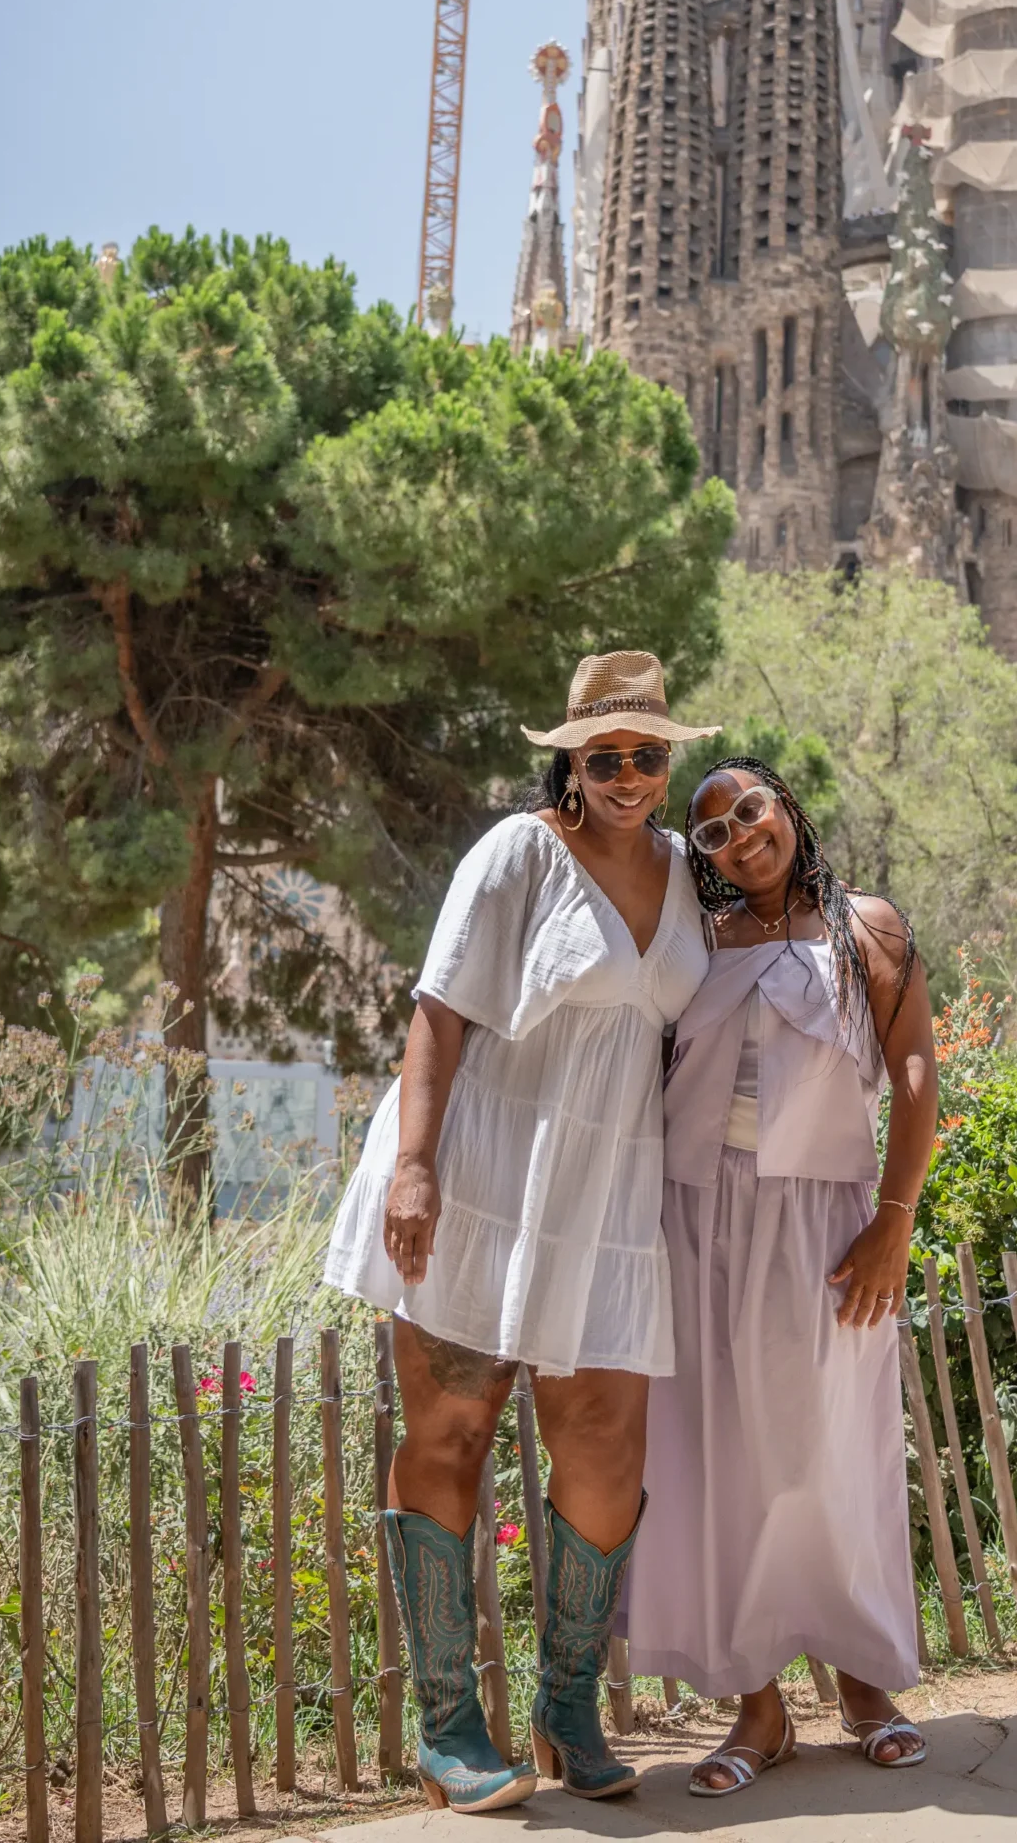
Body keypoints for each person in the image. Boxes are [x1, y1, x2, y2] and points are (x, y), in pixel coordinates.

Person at [324, 651, 717, 1813]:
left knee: (605, 1451)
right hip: (483, 1176)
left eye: (648, 755)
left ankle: (566, 1707)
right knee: (451, 1429)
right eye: (608, 757)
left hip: (606, 1195)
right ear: (571, 762)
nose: (630, 776)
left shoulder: (687, 874)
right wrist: (413, 1167)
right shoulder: (517, 853)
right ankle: (449, 1727)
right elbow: (437, 1012)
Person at [624, 757, 941, 1794]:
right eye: (712, 831)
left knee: (828, 1449)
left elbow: (916, 1078)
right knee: (717, 1459)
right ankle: (757, 1709)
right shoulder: (697, 942)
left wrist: (894, 1221)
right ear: (703, 857)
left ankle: (864, 1684)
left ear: (786, 807)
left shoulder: (868, 929)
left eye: (750, 809)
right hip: (694, 1221)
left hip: (822, 1224)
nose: (739, 836)